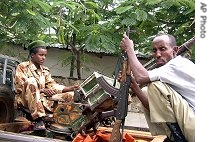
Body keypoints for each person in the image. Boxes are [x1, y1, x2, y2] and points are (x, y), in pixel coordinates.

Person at [119, 33, 195, 142]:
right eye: (154, 51)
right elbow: (155, 107)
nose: (158, 54)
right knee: (146, 91)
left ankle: (177, 139)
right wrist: (134, 86)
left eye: (162, 49)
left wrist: (129, 49)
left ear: (175, 50)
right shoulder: (167, 72)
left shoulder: (177, 64)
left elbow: (141, 77)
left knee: (155, 86)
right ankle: (172, 136)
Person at [14, 40, 79, 131]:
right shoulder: (23, 67)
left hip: (42, 100)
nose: (43, 58)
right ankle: (38, 119)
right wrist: (41, 90)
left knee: (71, 94)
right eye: (41, 55)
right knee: (31, 81)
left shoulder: (45, 70)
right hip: (25, 99)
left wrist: (69, 88)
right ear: (32, 55)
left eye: (45, 55)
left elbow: (52, 86)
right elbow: (20, 86)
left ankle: (69, 119)